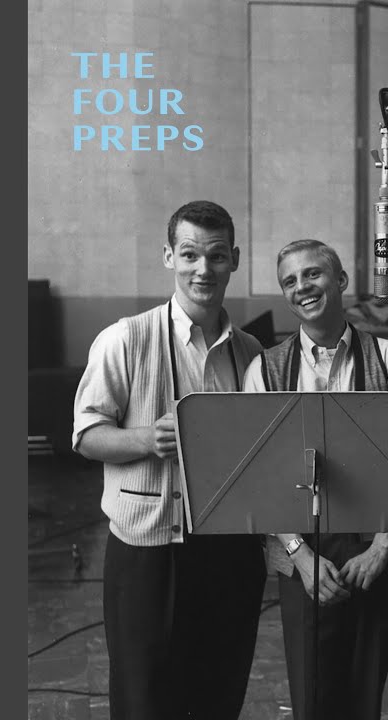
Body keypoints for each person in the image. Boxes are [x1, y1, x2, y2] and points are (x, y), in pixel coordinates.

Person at [71, 200, 266, 720]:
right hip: (149, 552)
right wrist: (146, 440)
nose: (204, 269)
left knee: (218, 693)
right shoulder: (124, 338)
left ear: (235, 259)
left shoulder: (251, 352)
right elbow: (86, 435)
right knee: (144, 699)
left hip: (229, 551)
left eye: (217, 256)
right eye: (190, 254)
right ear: (168, 257)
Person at [242, 239, 388, 720]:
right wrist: (300, 556)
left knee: (365, 694)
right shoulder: (266, 369)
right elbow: (259, 476)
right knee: (313, 699)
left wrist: (381, 548)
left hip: (374, 546)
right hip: (301, 549)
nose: (302, 287)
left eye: (312, 274)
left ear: (340, 280)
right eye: (290, 281)